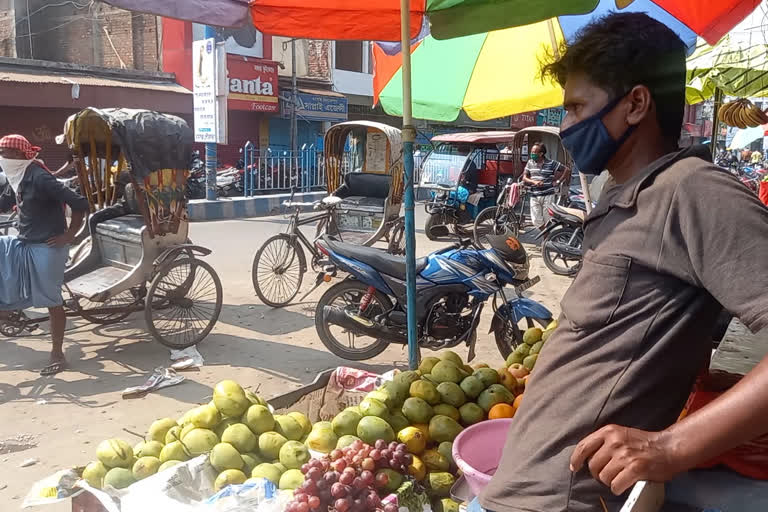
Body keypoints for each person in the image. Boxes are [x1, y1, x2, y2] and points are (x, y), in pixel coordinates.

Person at [478, 12, 768, 512]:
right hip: (525, 490)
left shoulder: (693, 191)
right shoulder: (623, 194)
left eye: (576, 107)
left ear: (635, 103)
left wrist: (671, 447)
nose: (566, 126)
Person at [0, 135, 89, 376]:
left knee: (51, 300)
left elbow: (79, 203)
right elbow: (5, 202)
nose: (2, 158)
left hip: (48, 246)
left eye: (5, 153)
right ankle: (7, 309)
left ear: (19, 156)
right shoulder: (17, 176)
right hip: (25, 240)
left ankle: (57, 353)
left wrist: (69, 235)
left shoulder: (39, 177)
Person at [521, 142, 568, 229]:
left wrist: (558, 181)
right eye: (531, 152)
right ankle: (547, 236)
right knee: (536, 220)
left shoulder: (551, 163)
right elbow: (524, 177)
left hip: (548, 195)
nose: (532, 154)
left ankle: (546, 239)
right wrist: (533, 182)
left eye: (534, 152)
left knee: (548, 219)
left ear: (541, 153)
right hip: (534, 195)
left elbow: (566, 169)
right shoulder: (530, 163)